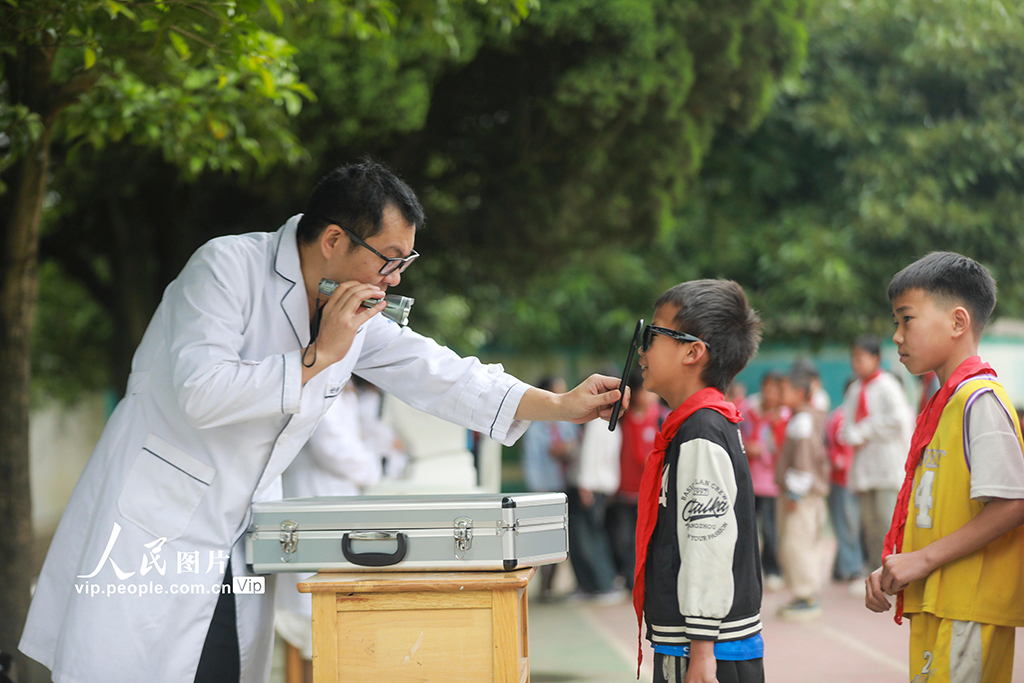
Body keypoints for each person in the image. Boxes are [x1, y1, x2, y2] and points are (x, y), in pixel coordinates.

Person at [19, 159, 626, 683]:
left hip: (237, 538)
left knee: (222, 669)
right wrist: (320, 356)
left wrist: (559, 405)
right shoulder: (227, 267)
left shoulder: (348, 312)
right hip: (155, 529)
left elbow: (439, 371)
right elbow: (201, 391)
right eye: (388, 260)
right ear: (334, 240)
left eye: (402, 264)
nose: (391, 281)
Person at [866, 251, 1024, 683]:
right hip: (941, 603)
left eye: (906, 319)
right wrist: (902, 564)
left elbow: (1013, 504)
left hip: (966, 607)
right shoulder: (947, 403)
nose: (896, 336)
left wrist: (922, 560)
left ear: (958, 322)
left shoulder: (980, 399)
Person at [632, 279, 764, 683]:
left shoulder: (701, 431)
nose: (642, 349)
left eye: (653, 334)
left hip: (703, 649)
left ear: (693, 351)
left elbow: (707, 541)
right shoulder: (702, 423)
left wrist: (702, 651)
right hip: (708, 642)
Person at [275, 383, 382, 663]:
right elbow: (332, 447)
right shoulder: (318, 386)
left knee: (331, 611)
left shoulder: (346, 391)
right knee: (313, 612)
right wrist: (373, 468)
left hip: (335, 501)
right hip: (313, 500)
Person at [840, 334, 914, 569]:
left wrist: (865, 431)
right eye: (854, 358)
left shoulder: (888, 387)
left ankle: (895, 569)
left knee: (887, 520)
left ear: (876, 358)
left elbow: (899, 422)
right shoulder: (854, 390)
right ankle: (875, 570)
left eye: (861, 357)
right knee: (869, 525)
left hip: (886, 464)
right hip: (864, 466)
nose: (856, 363)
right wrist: (855, 434)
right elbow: (846, 427)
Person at [774, 366, 830, 622]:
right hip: (806, 495)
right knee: (802, 543)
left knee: (797, 544)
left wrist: (794, 495)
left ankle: (806, 596)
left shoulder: (803, 421)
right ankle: (803, 594)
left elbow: (803, 462)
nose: (779, 393)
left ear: (798, 392)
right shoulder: (801, 417)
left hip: (801, 497)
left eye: (783, 389)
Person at [521, 375, 579, 601]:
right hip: (545, 489)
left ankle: (552, 586)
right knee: (544, 540)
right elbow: (533, 461)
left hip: (565, 487)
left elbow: (573, 445)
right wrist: (539, 492)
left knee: (561, 541)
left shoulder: (566, 423)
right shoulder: (535, 428)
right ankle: (544, 587)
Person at [606, 368, 660, 590]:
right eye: (643, 391)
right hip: (625, 490)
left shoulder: (661, 418)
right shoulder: (621, 418)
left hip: (649, 492)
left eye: (651, 392)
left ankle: (648, 580)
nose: (648, 397)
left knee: (650, 539)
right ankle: (630, 579)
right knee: (625, 539)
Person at [568, 399, 622, 602]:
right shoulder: (614, 424)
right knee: (594, 534)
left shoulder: (596, 424)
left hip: (589, 487)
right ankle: (597, 584)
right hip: (602, 486)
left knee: (587, 537)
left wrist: (584, 484)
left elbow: (589, 456)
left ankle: (601, 583)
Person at [739, 370, 788, 591]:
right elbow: (739, 435)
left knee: (770, 530)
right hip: (749, 480)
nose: (769, 393)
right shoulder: (749, 411)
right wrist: (748, 447)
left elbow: (784, 449)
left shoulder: (785, 417)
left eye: (774, 389)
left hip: (772, 484)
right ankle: (747, 570)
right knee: (747, 529)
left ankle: (772, 570)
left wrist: (767, 450)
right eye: (766, 387)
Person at [825, 379, 863, 583]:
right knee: (846, 524)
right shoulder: (840, 416)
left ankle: (841, 567)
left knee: (850, 524)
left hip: (855, 477)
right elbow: (833, 448)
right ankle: (851, 568)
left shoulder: (852, 415)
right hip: (841, 479)